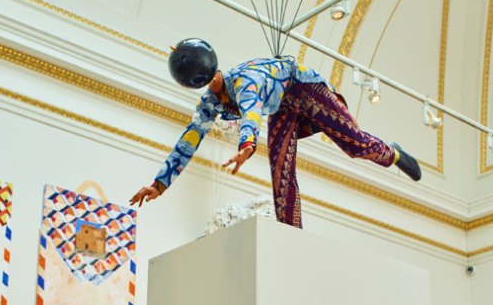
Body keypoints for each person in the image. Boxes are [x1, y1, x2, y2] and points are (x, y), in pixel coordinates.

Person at [130, 39, 421, 229]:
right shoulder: (210, 103)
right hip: (282, 106)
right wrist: (159, 184)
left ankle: (392, 153)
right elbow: (190, 138)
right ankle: (291, 234)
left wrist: (247, 143)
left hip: (304, 87)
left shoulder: (246, 81)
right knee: (281, 170)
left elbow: (252, 109)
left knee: (355, 144)